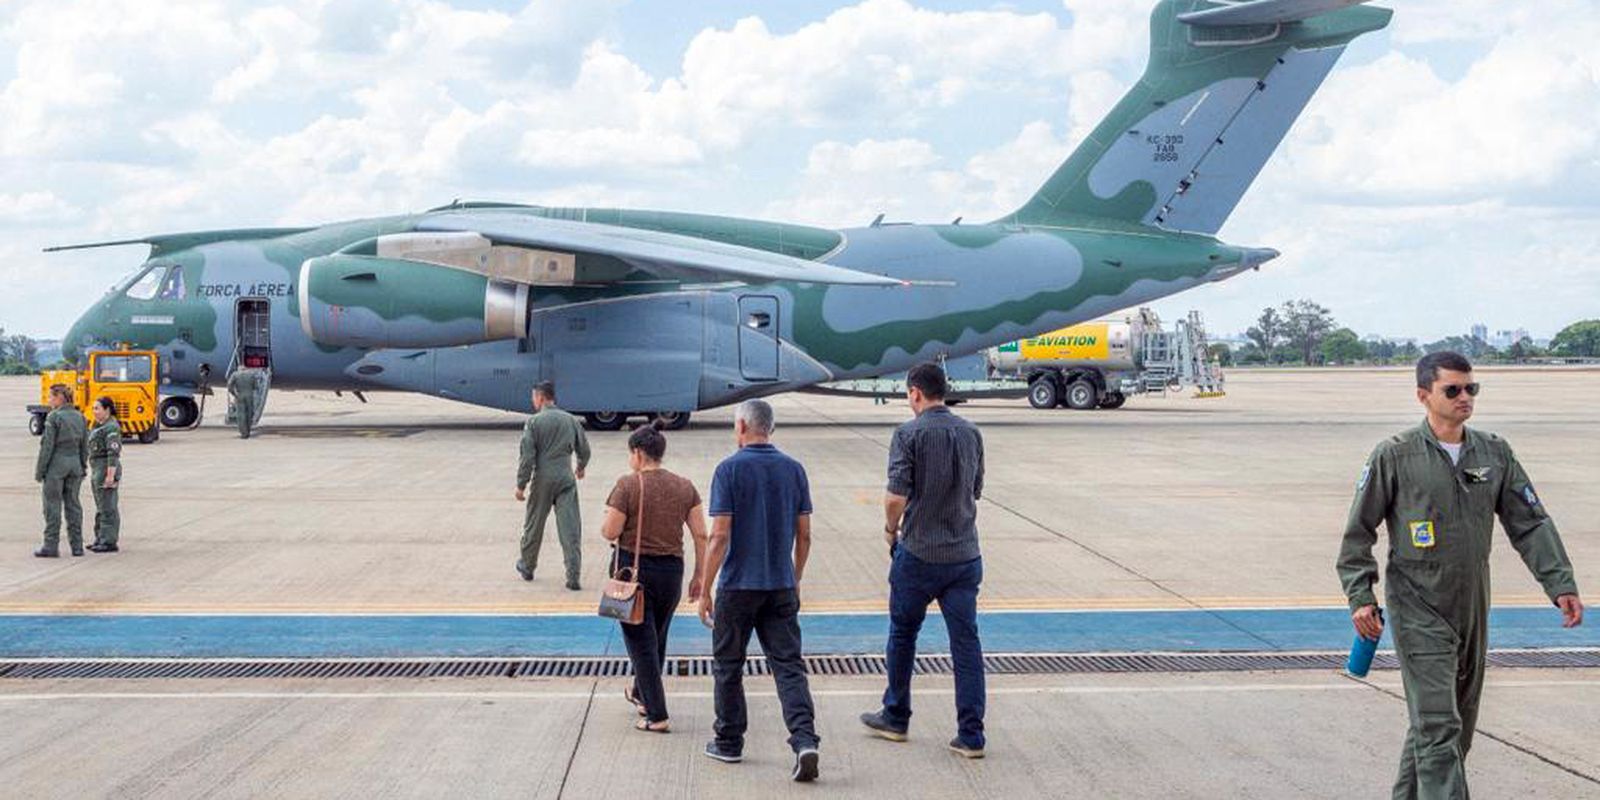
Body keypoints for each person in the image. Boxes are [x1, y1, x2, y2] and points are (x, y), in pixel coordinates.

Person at [1338, 351, 1583, 800]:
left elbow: (1529, 522)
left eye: (1472, 388)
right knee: (1438, 725)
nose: (1464, 397)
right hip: (1417, 606)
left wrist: (1559, 583)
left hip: (1471, 604)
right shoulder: (1395, 455)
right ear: (1423, 396)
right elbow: (1358, 533)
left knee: (1455, 728)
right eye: (1452, 390)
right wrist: (1360, 595)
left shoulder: (1493, 452)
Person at [860, 362, 988, 759]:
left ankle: (896, 715)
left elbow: (895, 496)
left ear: (915, 393)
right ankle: (971, 735)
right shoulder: (971, 432)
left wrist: (890, 529)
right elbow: (976, 489)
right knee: (966, 644)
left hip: (919, 554)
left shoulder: (907, 434)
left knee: (903, 634)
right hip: (964, 554)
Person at [698, 399, 820, 783]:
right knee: (788, 666)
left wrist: (704, 587)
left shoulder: (728, 470)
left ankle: (729, 741)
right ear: (771, 428)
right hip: (780, 584)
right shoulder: (794, 469)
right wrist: (795, 576)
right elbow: (805, 535)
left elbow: (719, 536)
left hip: (738, 586)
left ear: (741, 427)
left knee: (728, 666)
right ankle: (804, 740)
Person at [599, 420, 709, 733]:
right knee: (656, 637)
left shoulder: (628, 485)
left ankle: (657, 714)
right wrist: (699, 575)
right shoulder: (685, 486)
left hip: (635, 576)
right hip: (673, 573)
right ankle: (640, 695)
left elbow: (610, 530)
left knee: (641, 645)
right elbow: (701, 534)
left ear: (638, 453)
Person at [514, 381, 591, 589]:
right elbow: (584, 449)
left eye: (533, 397)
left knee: (534, 525)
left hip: (543, 480)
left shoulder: (534, 423)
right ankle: (573, 576)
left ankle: (528, 566)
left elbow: (527, 457)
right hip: (566, 477)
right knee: (570, 528)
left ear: (540, 398)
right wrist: (581, 467)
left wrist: (521, 485)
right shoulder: (570, 420)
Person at [34, 383, 88, 558]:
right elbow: (84, 446)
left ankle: (51, 545)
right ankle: (77, 546)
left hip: (57, 466)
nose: (49, 400)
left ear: (59, 397)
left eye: (51, 397)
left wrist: (40, 470)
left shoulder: (54, 417)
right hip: (75, 465)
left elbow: (47, 447)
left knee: (52, 506)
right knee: (73, 506)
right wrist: (82, 466)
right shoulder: (80, 416)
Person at [87, 396, 123, 553]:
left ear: (107, 410)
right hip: (97, 468)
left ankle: (109, 541)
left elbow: (113, 453)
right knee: (101, 505)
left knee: (108, 506)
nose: (94, 412)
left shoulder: (111, 428)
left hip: (106, 468)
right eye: (93, 408)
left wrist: (110, 475)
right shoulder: (98, 426)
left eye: (97, 408)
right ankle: (100, 538)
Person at [227, 367, 265, 439]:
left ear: (239, 368)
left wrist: (234, 393)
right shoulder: (251, 375)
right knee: (249, 413)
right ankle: (248, 430)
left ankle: (243, 432)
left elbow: (229, 385)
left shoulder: (235, 375)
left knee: (241, 414)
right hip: (249, 396)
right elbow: (256, 386)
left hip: (240, 395)